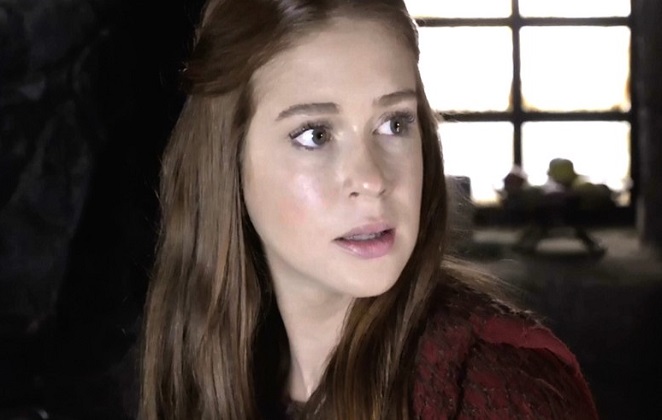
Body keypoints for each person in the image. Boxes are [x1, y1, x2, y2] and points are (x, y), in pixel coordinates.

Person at [140, 0, 599, 418]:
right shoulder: (198, 369)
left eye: (394, 123)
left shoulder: (502, 388)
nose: (372, 180)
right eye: (315, 135)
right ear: (229, 159)